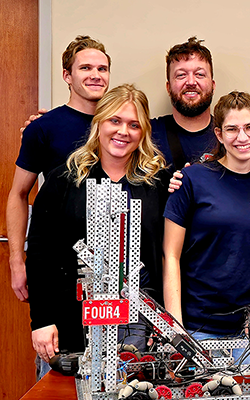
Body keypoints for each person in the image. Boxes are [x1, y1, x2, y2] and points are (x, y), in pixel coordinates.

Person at [26, 84, 168, 379]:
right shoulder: (64, 179)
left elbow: (169, 254)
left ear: (143, 132)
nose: (123, 132)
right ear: (98, 123)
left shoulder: (159, 183)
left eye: (133, 125)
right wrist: (41, 320)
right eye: (114, 121)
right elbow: (41, 253)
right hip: (69, 323)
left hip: (139, 327)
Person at [163, 91, 250, 351]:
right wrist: (175, 328)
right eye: (232, 129)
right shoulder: (192, 179)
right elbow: (171, 256)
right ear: (219, 134)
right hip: (199, 331)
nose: (242, 137)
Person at [7, 35, 111, 302]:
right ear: (67, 75)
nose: (96, 75)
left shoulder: (120, 129)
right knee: (55, 342)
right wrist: (17, 260)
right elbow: (18, 194)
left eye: (102, 68)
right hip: (57, 260)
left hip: (113, 262)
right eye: (85, 68)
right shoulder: (43, 128)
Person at [151, 36, 218, 169]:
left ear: (213, 85)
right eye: (181, 75)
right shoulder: (147, 134)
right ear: (168, 87)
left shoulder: (229, 135)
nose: (191, 82)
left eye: (199, 74)